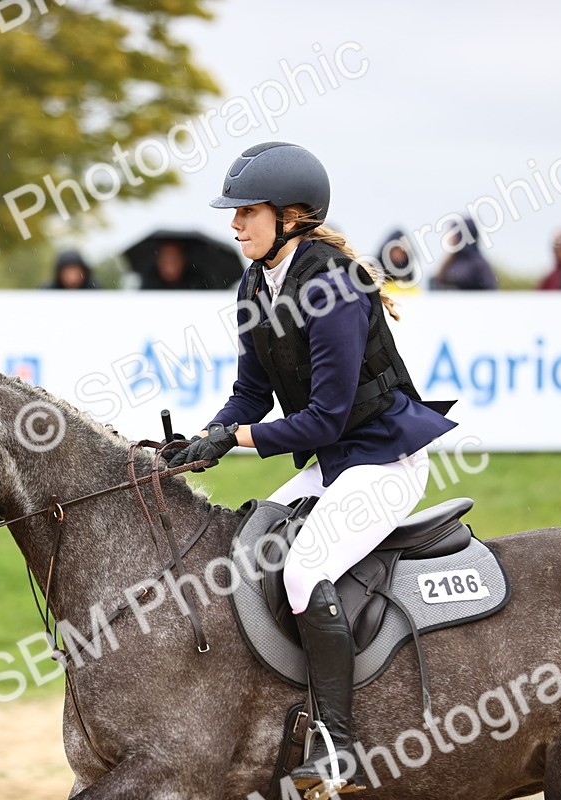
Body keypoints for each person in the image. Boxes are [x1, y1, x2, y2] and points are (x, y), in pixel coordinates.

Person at [166, 142, 456, 796]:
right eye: (235, 214)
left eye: (247, 212)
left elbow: (325, 418)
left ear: (291, 215)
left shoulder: (332, 286)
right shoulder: (255, 283)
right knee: (248, 550)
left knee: (303, 569)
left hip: (384, 460)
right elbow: (250, 393)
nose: (235, 224)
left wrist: (237, 439)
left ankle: (340, 751)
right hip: (333, 466)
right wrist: (207, 437)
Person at [430, 216, 498, 290]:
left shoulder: (479, 265)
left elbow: (489, 291)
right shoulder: (451, 262)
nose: (451, 238)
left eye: (454, 234)